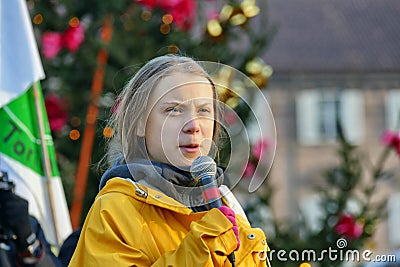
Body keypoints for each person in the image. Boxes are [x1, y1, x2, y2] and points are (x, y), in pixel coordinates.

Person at [69, 54, 270, 266]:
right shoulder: (114, 210)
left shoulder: (228, 206)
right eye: (173, 110)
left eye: (203, 110)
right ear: (139, 123)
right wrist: (200, 249)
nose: (193, 125)